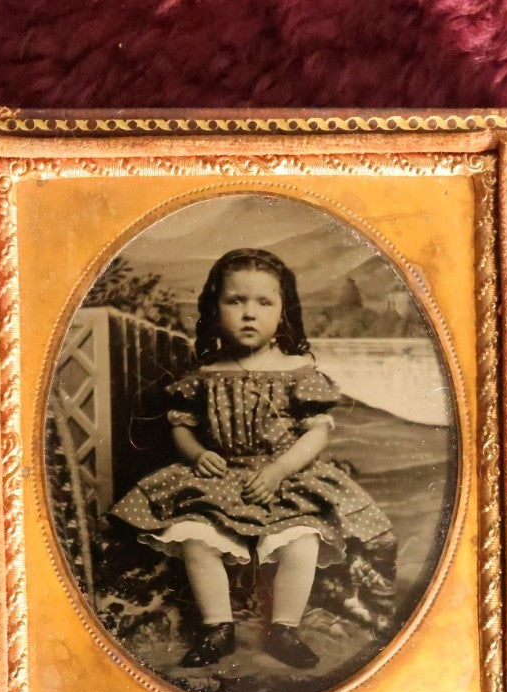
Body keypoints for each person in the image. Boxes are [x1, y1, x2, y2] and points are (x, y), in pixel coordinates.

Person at [110, 248, 393, 670]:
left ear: (283, 312)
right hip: (223, 476)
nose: (249, 313)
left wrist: (280, 469)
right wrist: (198, 452)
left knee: (302, 539)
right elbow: (180, 424)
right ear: (214, 309)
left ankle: (285, 628)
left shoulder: (297, 370)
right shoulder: (206, 374)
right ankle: (217, 627)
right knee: (194, 535)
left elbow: (316, 431)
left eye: (264, 302)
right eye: (235, 300)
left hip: (283, 476)